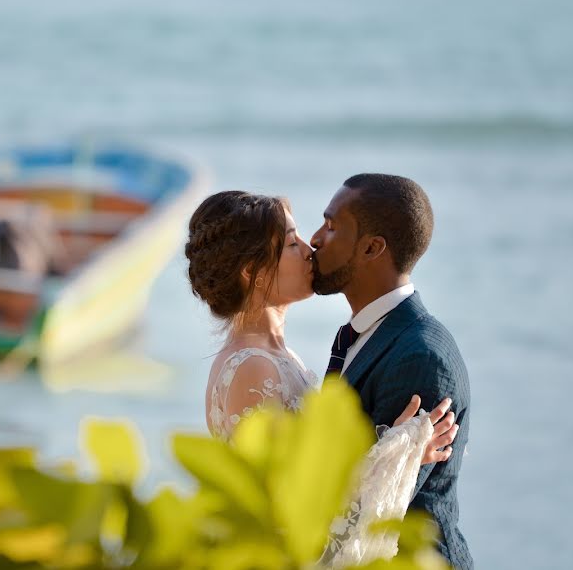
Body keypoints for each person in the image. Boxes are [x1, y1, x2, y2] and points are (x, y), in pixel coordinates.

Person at [185, 190, 459, 567]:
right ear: (252, 271)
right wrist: (398, 455)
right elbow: (292, 510)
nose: (309, 247)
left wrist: (404, 455)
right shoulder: (252, 368)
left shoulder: (276, 355)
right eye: (290, 243)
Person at [310, 174, 471, 569]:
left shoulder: (419, 357)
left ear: (371, 247)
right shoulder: (361, 335)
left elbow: (379, 510)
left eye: (331, 227)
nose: (315, 239)